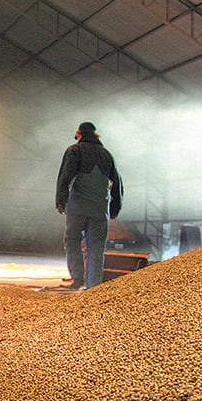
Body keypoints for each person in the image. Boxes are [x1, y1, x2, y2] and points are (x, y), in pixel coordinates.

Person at [55, 121, 122, 290]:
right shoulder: (107, 155)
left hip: (77, 207)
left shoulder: (75, 150)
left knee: (72, 241)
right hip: (100, 210)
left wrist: (61, 201)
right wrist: (114, 208)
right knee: (96, 247)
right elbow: (118, 184)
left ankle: (77, 279)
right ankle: (94, 285)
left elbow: (65, 177)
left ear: (79, 134)